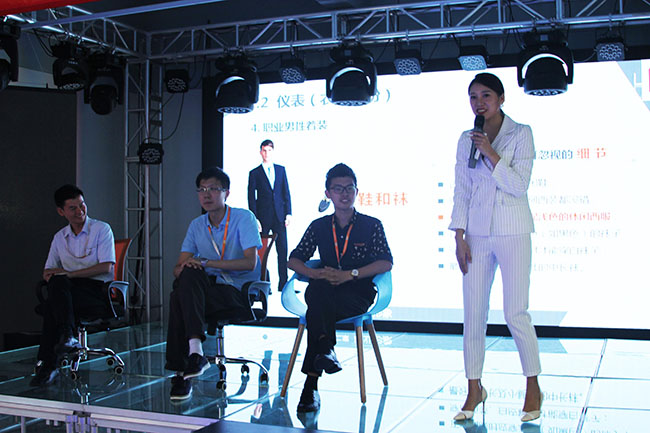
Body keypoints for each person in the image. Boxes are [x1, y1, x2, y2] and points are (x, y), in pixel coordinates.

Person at [449, 73, 543, 422]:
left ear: (501, 98)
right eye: (473, 97)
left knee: (515, 312)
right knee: (473, 313)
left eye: (486, 95)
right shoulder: (466, 139)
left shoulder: (521, 133)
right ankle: (474, 387)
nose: (479, 103)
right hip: (476, 233)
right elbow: (462, 188)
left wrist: (489, 151)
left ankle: (533, 385)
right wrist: (458, 235)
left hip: (513, 230)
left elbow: (518, 186)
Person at [287, 163, 393, 413]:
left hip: (357, 293)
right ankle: (325, 351)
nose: (344, 194)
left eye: (349, 188)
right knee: (319, 289)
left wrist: (349, 275)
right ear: (328, 194)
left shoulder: (371, 225)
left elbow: (385, 262)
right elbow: (294, 260)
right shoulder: (319, 226)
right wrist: (314, 273)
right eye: (337, 189)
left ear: (357, 191)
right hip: (324, 290)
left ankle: (312, 382)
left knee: (316, 309)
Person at [166, 166, 262, 401]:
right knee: (188, 275)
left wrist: (206, 262)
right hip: (205, 291)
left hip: (237, 291)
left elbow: (250, 263)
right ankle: (195, 353)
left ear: (226, 192)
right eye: (201, 190)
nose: (206, 194)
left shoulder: (243, 218)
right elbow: (177, 269)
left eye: (213, 189)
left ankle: (182, 372)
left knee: (178, 297)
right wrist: (189, 266)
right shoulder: (196, 225)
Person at [31, 184, 116, 387]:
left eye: (82, 205)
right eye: (73, 208)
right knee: (57, 287)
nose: (80, 211)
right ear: (61, 212)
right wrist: (63, 276)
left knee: (53, 301)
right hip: (68, 291)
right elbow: (48, 272)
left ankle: (48, 365)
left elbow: (106, 266)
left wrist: (69, 273)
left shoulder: (101, 229)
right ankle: (67, 338)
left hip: (96, 291)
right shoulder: (60, 237)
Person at [248, 139, 292, 292]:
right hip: (263, 217)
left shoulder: (281, 170)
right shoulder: (254, 173)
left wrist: (289, 213)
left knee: (282, 250)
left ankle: (283, 284)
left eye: (269, 150)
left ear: (273, 151)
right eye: (264, 150)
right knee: (262, 253)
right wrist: (255, 218)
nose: (267, 153)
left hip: (280, 216)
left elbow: (286, 192)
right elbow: (251, 197)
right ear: (261, 152)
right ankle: (264, 284)